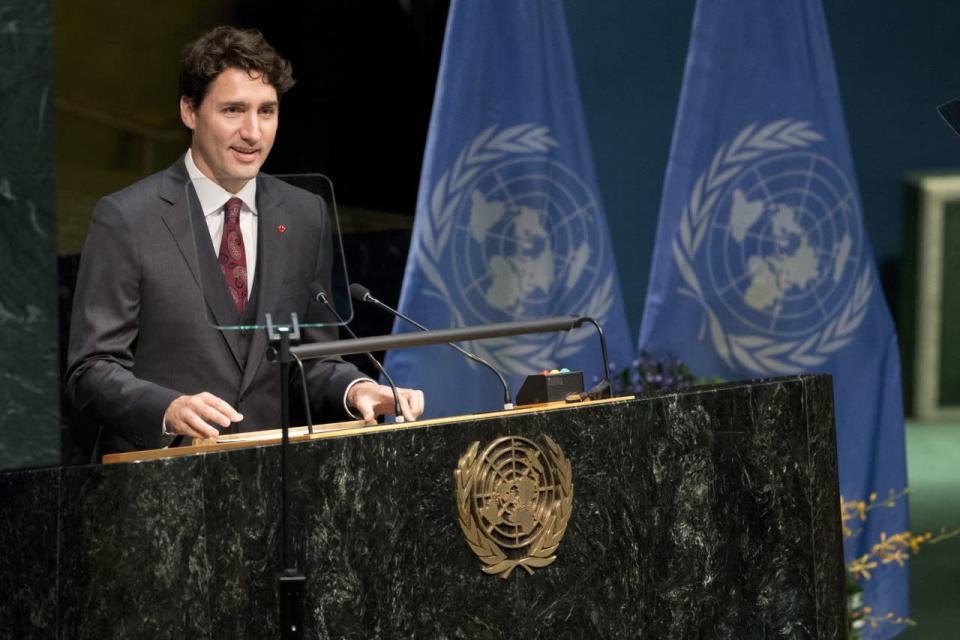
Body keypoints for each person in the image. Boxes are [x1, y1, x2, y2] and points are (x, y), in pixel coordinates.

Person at [66, 26, 423, 455]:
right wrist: (167, 408)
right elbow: (91, 370)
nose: (253, 132)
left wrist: (357, 389)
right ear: (189, 112)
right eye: (233, 110)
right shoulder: (127, 218)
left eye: (267, 111)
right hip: (159, 484)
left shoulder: (304, 214)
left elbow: (312, 359)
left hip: (271, 487)